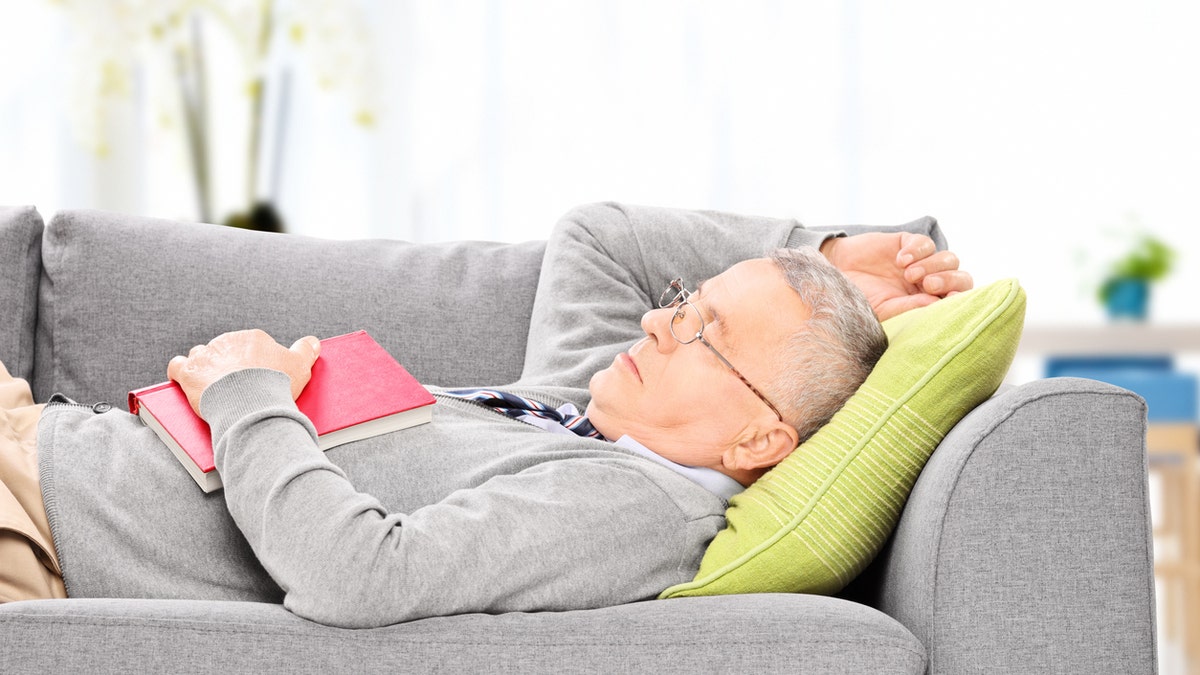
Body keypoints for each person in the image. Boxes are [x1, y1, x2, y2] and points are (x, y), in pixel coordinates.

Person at [1, 203, 971, 627]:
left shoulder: (633, 507)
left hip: (40, 518)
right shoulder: (594, 409)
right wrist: (826, 255)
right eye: (683, 299)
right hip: (42, 438)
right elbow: (602, 235)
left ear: (763, 439)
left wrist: (248, 397)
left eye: (700, 330)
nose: (654, 321)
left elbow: (363, 577)